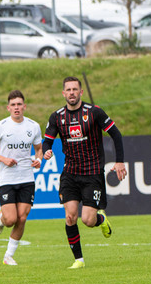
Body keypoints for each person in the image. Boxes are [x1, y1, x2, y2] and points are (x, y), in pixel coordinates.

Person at [42, 76, 127, 269]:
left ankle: (101, 219)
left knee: (88, 220)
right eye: (68, 90)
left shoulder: (94, 112)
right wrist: (47, 150)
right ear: (63, 93)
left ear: (81, 92)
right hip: (70, 173)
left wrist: (120, 161)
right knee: (70, 216)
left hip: (92, 172)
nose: (71, 93)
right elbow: (47, 141)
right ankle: (78, 260)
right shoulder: (57, 116)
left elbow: (116, 134)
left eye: (75, 89)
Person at [0, 90, 42, 266]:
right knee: (10, 220)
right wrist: (3, 159)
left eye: (19, 104)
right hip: (7, 179)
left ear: (24, 106)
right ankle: (0, 219)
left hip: (27, 178)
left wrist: (38, 160)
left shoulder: (33, 126)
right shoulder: (1, 126)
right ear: (8, 108)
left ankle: (8, 256)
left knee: (22, 218)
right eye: (13, 105)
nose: (16, 108)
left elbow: (39, 148)